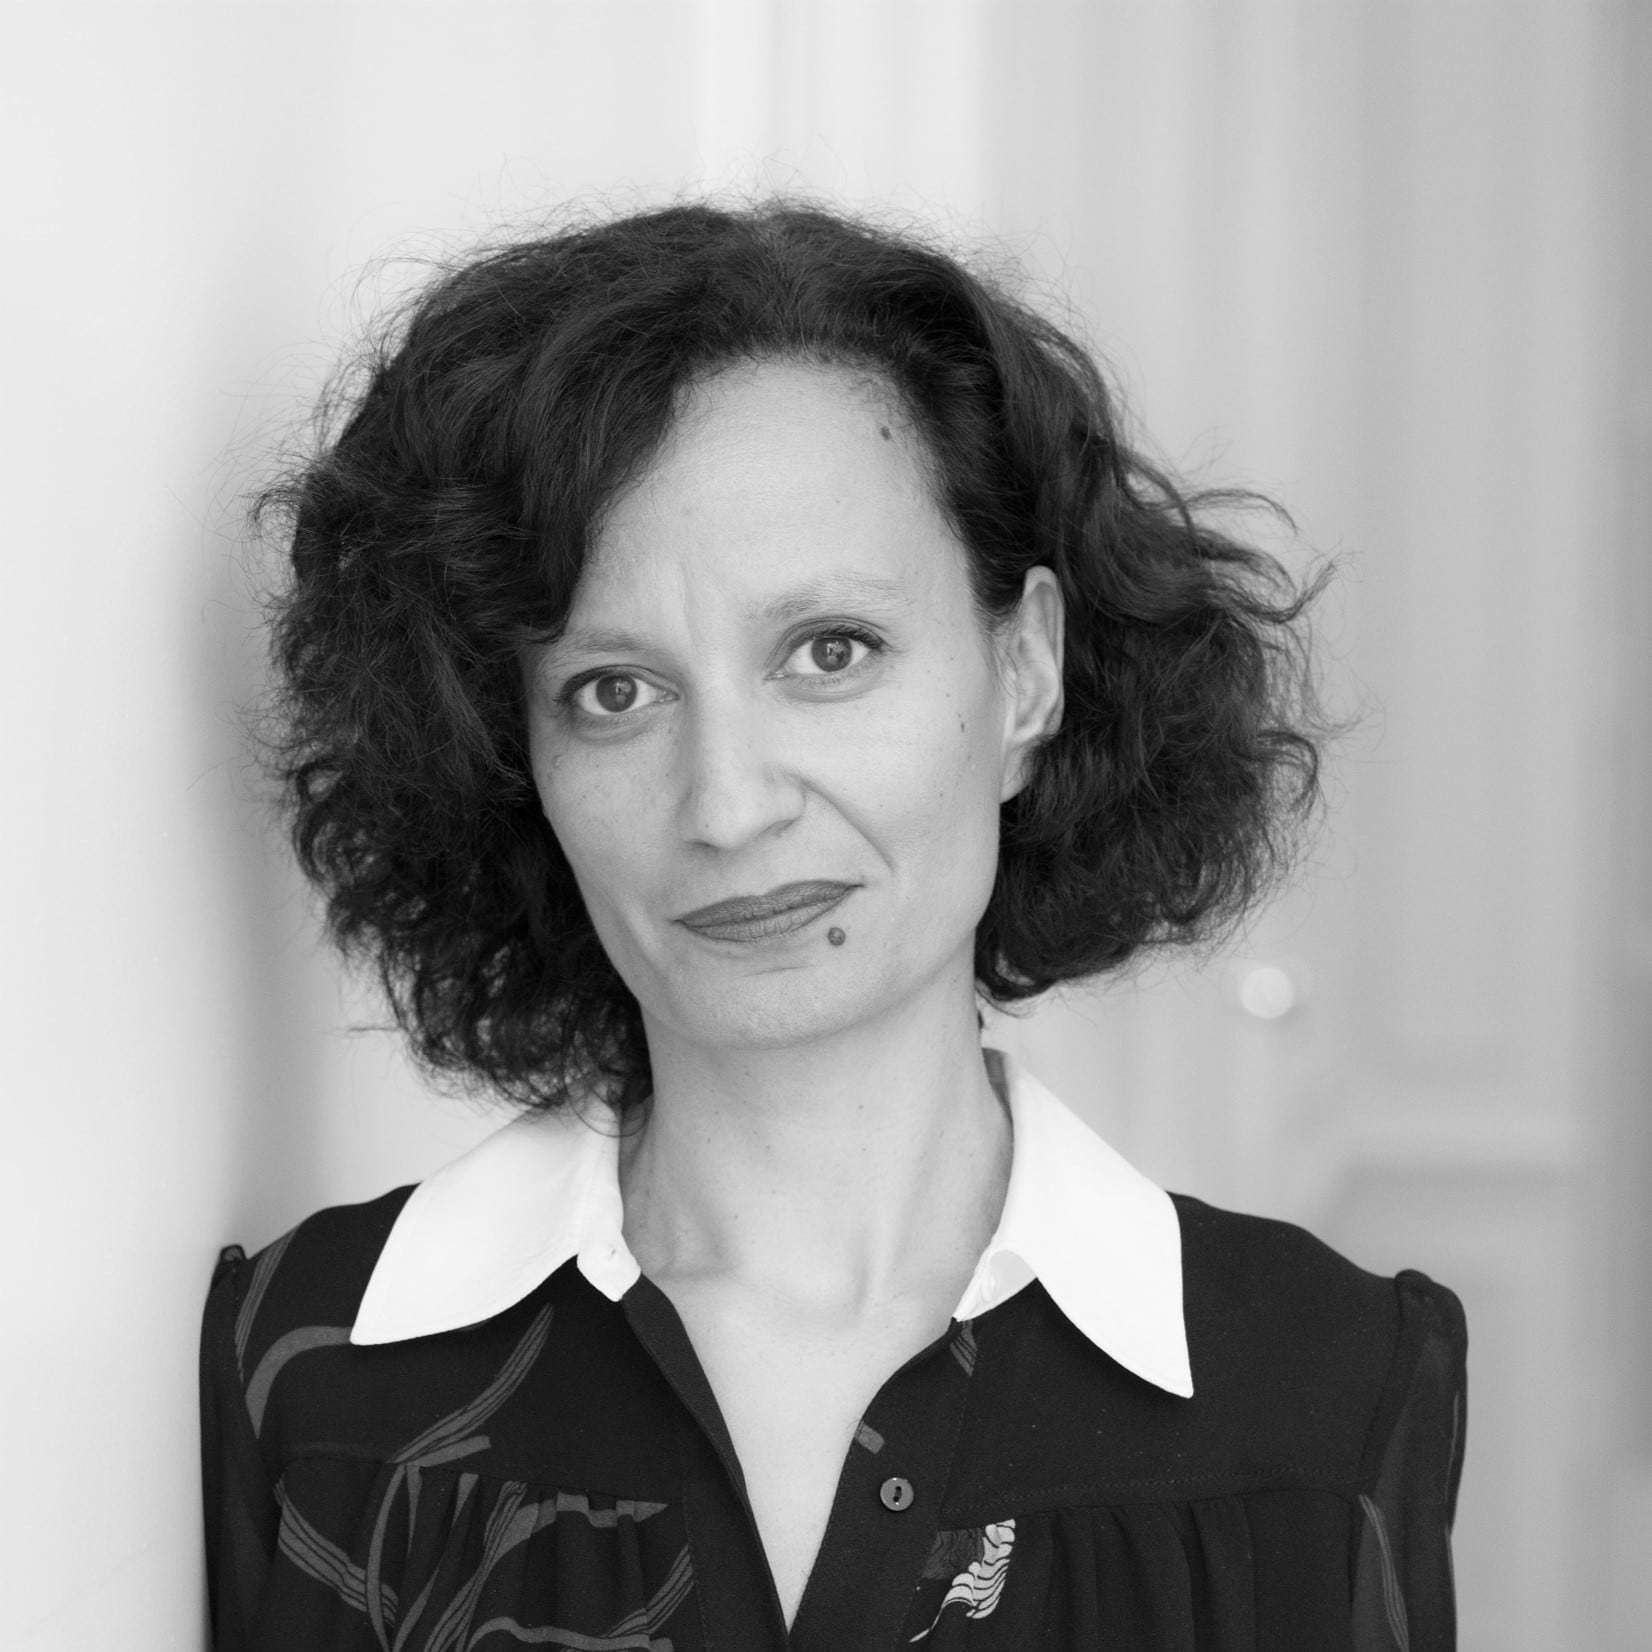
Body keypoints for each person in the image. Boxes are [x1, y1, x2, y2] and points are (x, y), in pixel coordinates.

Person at [201, 199, 1466, 1651]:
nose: (728, 804)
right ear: (516, 753)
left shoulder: (1330, 1387)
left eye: (829, 651)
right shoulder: (312, 1373)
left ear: (1026, 674)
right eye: (615, 691)